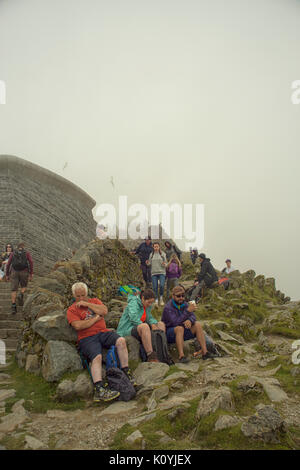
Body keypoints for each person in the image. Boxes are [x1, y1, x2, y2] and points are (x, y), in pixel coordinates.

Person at [67, 282, 135, 403]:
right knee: (97, 357)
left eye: (83, 295)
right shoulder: (72, 310)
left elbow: (104, 310)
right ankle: (99, 388)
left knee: (121, 341)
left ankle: (126, 371)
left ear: (87, 294)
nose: (81, 298)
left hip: (103, 332)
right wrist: (96, 318)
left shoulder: (94, 301)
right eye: (78, 296)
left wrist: (87, 304)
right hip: (87, 338)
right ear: (73, 296)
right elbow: (78, 326)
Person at [161, 285, 216, 363]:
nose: (181, 298)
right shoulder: (168, 308)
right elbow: (175, 322)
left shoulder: (185, 304)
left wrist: (190, 320)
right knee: (179, 328)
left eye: (183, 296)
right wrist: (187, 312)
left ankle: (205, 352)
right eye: (178, 296)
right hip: (170, 333)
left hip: (183, 331)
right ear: (173, 296)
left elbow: (193, 317)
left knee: (197, 325)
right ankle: (181, 356)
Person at [117, 288, 166, 362]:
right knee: (144, 326)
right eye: (149, 302)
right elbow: (133, 317)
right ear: (143, 298)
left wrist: (153, 324)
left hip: (138, 327)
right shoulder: (133, 303)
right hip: (127, 328)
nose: (150, 305)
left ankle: (163, 351)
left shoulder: (146, 306)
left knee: (161, 324)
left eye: (151, 303)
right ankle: (150, 355)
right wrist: (146, 326)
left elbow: (149, 317)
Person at [6, 242, 33, 314]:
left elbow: (8, 263)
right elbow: (31, 262)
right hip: (24, 272)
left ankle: (14, 306)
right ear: (23, 247)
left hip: (14, 272)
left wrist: (7, 274)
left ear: (17, 247)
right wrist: (31, 273)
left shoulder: (13, 253)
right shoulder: (27, 253)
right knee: (24, 286)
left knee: (14, 289)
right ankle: (21, 294)